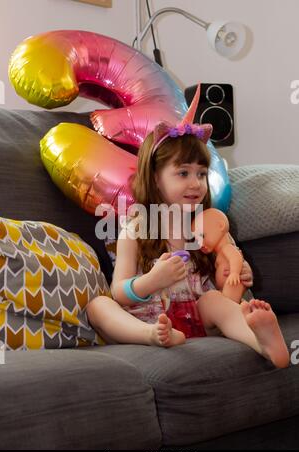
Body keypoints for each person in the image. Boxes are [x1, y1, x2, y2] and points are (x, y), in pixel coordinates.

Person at [87, 85, 290, 369]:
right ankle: (153, 336)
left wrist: (235, 274)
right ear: (156, 178)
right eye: (183, 173)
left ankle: (263, 342)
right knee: (99, 306)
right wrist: (152, 280)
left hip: (197, 319)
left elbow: (219, 282)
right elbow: (119, 291)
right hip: (147, 320)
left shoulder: (207, 227)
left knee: (215, 302)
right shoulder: (136, 230)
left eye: (202, 174)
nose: (196, 183)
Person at [192, 207, 246, 303]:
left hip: (232, 283)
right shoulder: (219, 253)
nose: (199, 243)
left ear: (220, 226)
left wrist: (234, 273)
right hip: (225, 287)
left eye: (202, 236)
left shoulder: (227, 248)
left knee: (229, 305)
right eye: (196, 239)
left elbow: (236, 257)